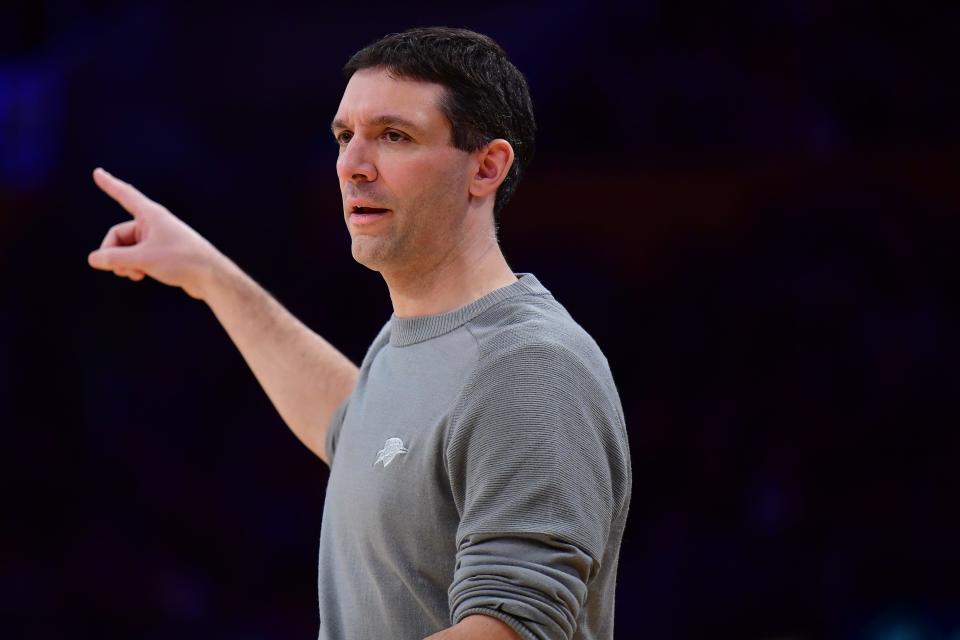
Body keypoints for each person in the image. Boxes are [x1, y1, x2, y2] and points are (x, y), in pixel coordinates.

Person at [88, 27, 631, 640]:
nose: (352, 166)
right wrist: (207, 274)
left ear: (486, 167)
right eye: (345, 137)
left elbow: (509, 628)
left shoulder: (530, 364)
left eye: (393, 137)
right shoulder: (413, 340)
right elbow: (358, 430)